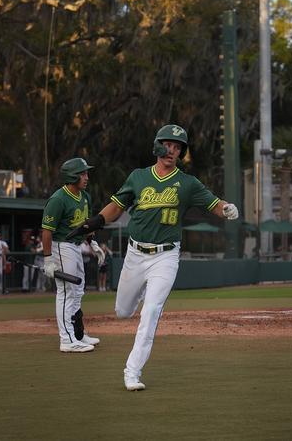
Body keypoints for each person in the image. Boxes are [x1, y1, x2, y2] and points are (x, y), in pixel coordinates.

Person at [62, 124, 239, 391]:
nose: (172, 150)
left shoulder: (187, 183)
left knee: (151, 312)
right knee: (122, 312)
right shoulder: (138, 177)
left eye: (178, 147)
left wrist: (226, 209)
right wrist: (94, 222)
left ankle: (132, 371)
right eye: (168, 144)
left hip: (165, 256)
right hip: (135, 254)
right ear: (158, 145)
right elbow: (116, 207)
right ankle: (144, 295)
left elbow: (213, 203)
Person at [40, 157, 103, 353]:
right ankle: (66, 340)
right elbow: (47, 231)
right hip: (61, 246)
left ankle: (77, 333)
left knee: (78, 289)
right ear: (72, 176)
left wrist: (92, 243)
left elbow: (87, 224)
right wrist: (48, 259)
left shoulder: (85, 196)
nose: (86, 177)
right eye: (83, 173)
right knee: (67, 292)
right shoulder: (58, 199)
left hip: (75, 246)